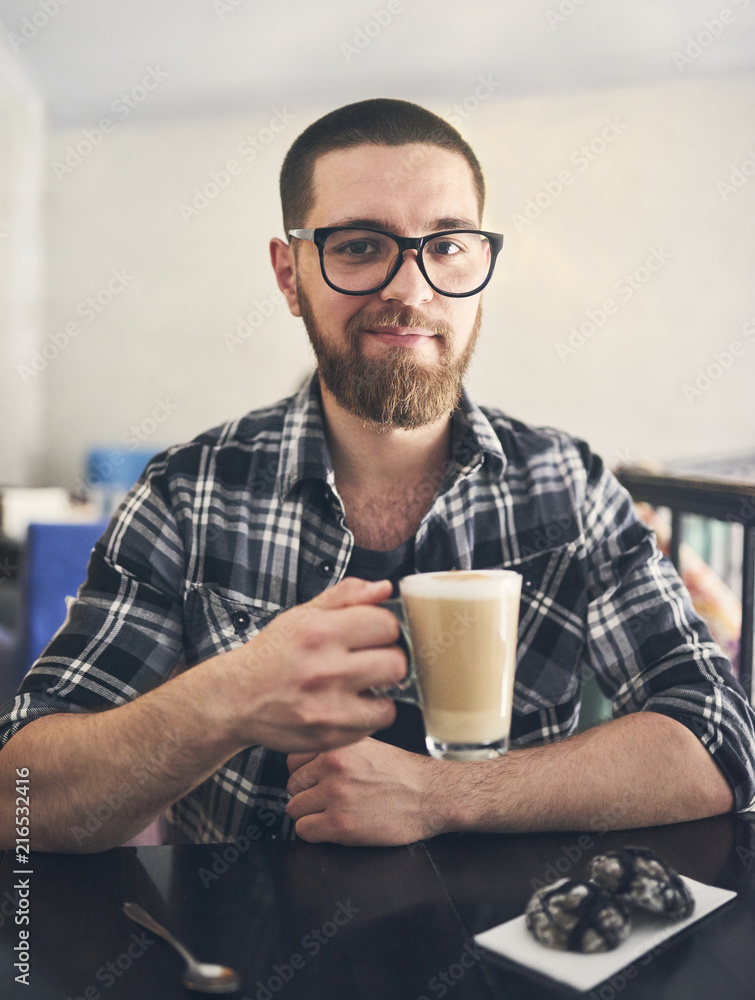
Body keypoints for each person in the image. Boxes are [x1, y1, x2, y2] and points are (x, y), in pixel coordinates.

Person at [1, 99, 753, 853]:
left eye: (448, 245)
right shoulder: (186, 495)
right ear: (289, 273)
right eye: (360, 246)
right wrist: (226, 700)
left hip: (518, 951)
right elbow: (20, 803)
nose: (410, 288)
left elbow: (719, 739)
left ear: (483, 268)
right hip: (242, 960)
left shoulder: (569, 485)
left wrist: (441, 797)